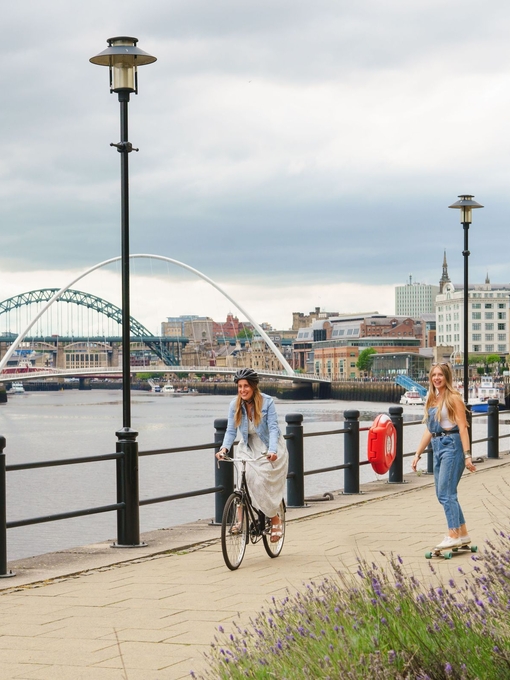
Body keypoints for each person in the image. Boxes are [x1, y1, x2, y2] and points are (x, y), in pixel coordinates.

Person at [216, 368, 288, 543]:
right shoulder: (234, 404)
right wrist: (224, 449)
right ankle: (240, 521)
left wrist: (272, 451)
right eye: (239, 386)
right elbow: (231, 431)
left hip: (268, 445)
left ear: (254, 387)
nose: (242, 390)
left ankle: (274, 517)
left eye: (246, 386)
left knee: (260, 480)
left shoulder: (267, 402)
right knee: (242, 480)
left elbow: (272, 429)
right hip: (247, 445)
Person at [412, 362, 476, 550]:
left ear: (447, 377)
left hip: (452, 446)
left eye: (440, 375)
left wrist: (467, 455)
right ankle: (462, 534)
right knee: (443, 494)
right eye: (434, 375)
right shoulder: (433, 399)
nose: (437, 378)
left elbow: (463, 428)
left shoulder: (453, 398)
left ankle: (453, 534)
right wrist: (417, 454)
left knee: (447, 493)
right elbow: (429, 430)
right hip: (437, 446)